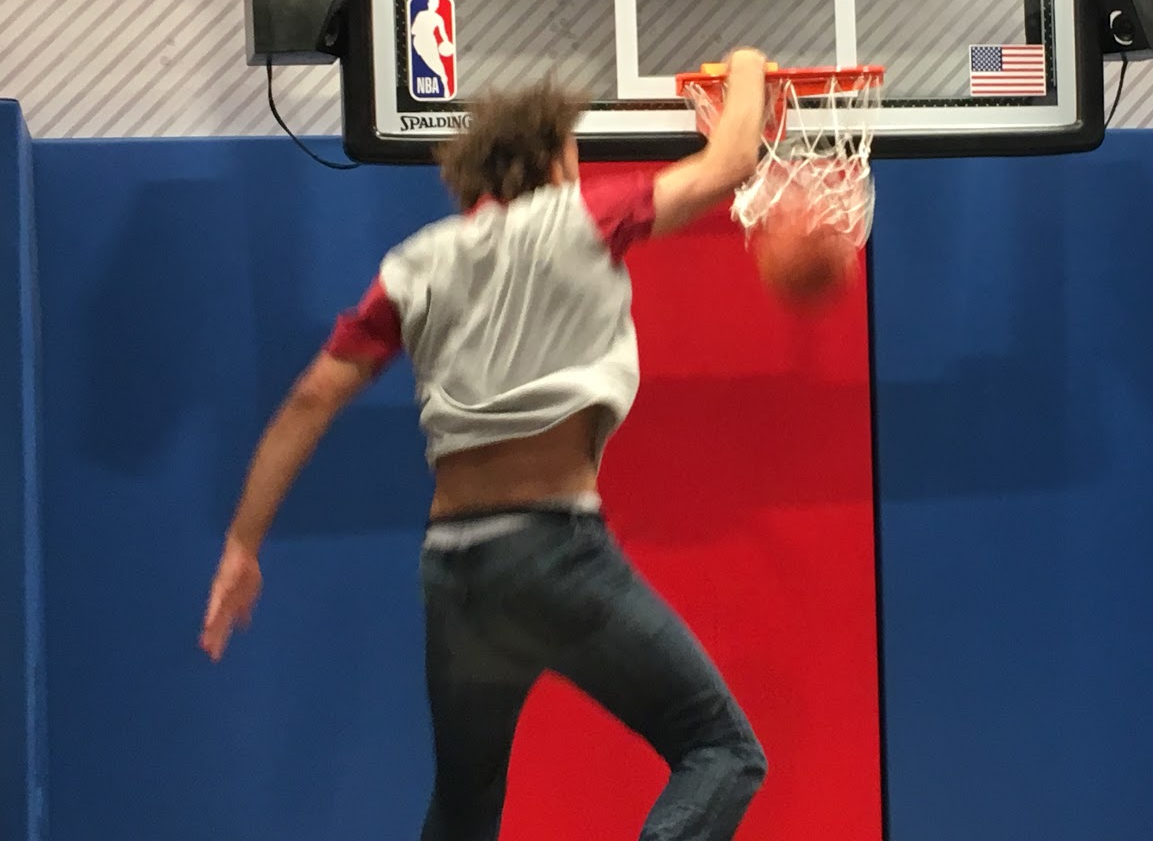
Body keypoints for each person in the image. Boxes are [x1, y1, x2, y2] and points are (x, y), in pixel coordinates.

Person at [200, 48, 774, 841]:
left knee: (464, 807)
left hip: (455, 571)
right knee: (721, 750)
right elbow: (732, 160)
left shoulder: (414, 265)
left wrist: (242, 545)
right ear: (553, 159)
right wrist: (748, 70)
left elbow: (311, 398)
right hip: (551, 555)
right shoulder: (582, 217)